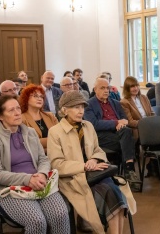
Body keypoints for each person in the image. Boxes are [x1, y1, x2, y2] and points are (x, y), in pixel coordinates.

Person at [0, 96, 70, 234]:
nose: (17, 113)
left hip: (39, 182)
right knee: (36, 221)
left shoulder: (30, 132)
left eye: (18, 108)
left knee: (60, 215)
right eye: (11, 110)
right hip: (9, 190)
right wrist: (28, 179)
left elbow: (43, 159)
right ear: (0, 116)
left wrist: (41, 174)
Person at [48, 91, 130, 234]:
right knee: (111, 193)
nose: (81, 111)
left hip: (95, 172)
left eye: (82, 107)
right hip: (73, 178)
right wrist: (84, 166)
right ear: (64, 110)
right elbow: (57, 164)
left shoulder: (88, 126)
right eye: (76, 107)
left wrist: (93, 159)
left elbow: (98, 150)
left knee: (116, 193)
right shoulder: (55, 132)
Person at [84, 78, 141, 187]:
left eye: (108, 88)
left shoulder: (115, 103)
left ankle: (126, 171)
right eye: (102, 88)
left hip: (119, 133)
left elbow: (124, 119)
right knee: (127, 138)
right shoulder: (89, 104)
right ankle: (130, 170)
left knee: (126, 132)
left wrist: (122, 123)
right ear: (95, 89)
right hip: (101, 136)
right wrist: (116, 122)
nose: (106, 91)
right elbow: (94, 124)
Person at [20, 84, 59, 152]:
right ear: (26, 98)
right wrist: (53, 142)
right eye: (35, 96)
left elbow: (60, 137)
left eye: (41, 97)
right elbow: (29, 143)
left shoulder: (50, 116)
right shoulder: (21, 119)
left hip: (56, 155)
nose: (39, 99)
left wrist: (42, 143)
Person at [120, 76, 154, 140]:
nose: (136, 88)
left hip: (149, 125)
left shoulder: (144, 97)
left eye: (137, 85)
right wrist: (146, 123)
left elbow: (152, 113)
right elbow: (130, 122)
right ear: (127, 89)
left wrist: (154, 121)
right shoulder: (124, 102)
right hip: (139, 129)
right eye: (132, 86)